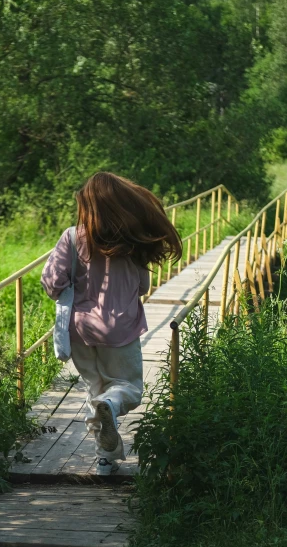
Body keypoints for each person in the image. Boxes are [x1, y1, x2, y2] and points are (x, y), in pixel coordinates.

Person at [41, 172, 182, 475]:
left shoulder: (71, 236)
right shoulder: (131, 243)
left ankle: (105, 460)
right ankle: (111, 406)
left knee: (95, 389)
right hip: (120, 329)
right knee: (128, 389)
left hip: (80, 331)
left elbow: (52, 283)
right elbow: (143, 286)